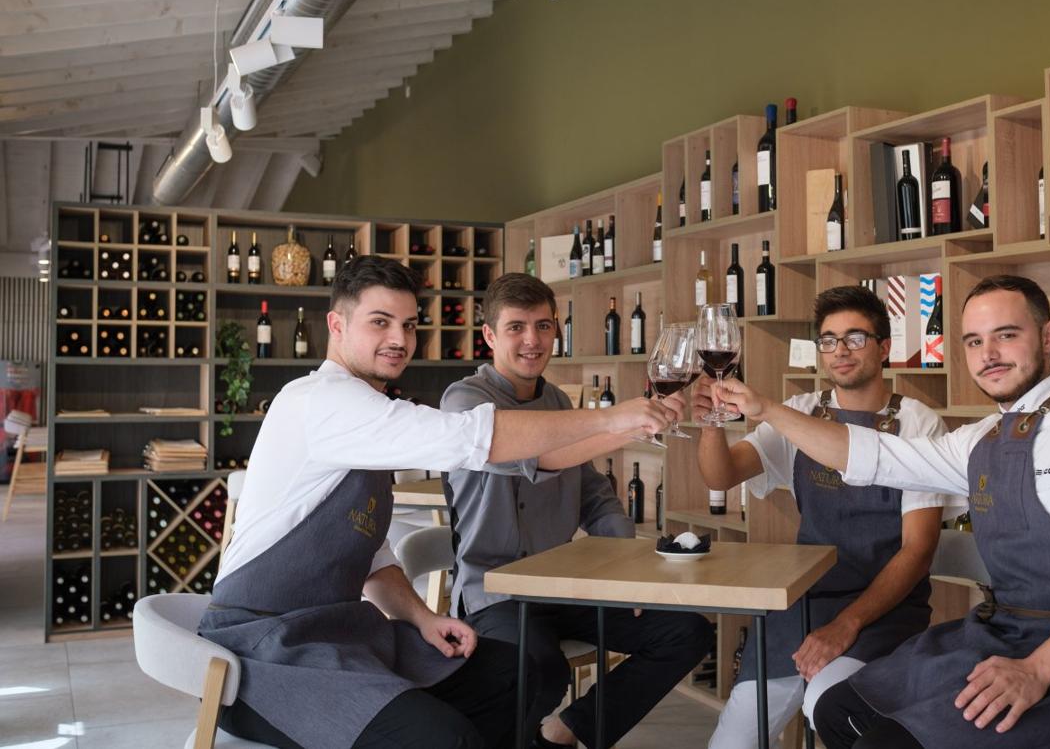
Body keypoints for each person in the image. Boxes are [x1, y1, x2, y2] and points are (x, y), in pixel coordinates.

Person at [199, 257, 674, 749]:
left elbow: (373, 554)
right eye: (380, 322)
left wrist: (421, 617)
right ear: (337, 326)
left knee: (519, 675)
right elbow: (471, 438)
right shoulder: (319, 400)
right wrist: (614, 420)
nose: (400, 340)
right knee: (444, 736)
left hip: (340, 639)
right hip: (264, 654)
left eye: (408, 325)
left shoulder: (364, 416)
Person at [712, 275, 1050, 749]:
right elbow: (879, 457)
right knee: (838, 709)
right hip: (1006, 638)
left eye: (1006, 335)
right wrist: (764, 408)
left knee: (883, 742)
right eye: (975, 341)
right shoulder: (982, 438)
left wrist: (1036, 670)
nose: (988, 354)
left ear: (1049, 336)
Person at [440, 273, 714, 749]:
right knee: (541, 673)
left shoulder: (558, 401)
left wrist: (625, 567)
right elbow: (537, 460)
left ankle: (564, 733)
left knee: (686, 632)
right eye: (516, 327)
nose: (532, 340)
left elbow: (592, 493)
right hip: (496, 589)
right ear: (488, 336)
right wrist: (624, 424)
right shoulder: (465, 401)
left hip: (563, 586)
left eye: (544, 326)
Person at [697, 285, 962, 749]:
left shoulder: (916, 422)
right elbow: (721, 474)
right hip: (799, 607)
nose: (840, 351)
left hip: (882, 611)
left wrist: (847, 625)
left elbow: (918, 552)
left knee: (828, 703)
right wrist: (710, 425)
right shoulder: (801, 412)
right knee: (733, 741)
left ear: (884, 348)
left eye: (855, 338)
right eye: (828, 340)